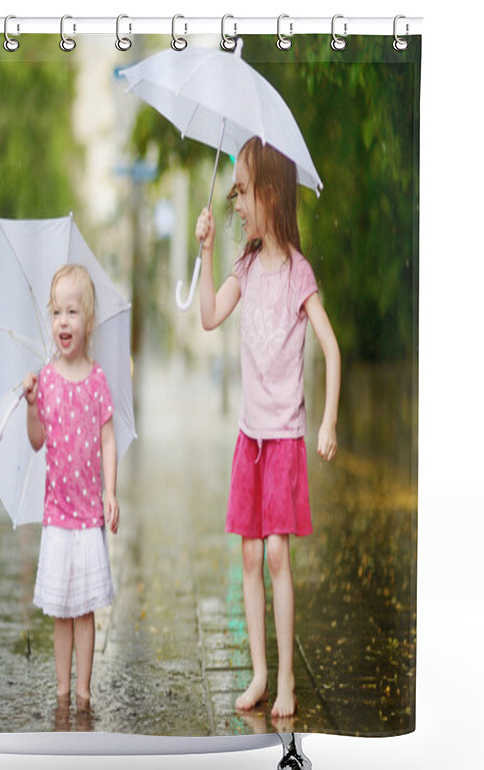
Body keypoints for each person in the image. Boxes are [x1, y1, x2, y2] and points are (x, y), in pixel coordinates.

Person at [195, 137, 341, 718]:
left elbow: (331, 348)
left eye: (242, 192)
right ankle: (258, 673)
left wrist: (327, 419)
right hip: (248, 437)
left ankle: (286, 681)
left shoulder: (297, 274)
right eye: (232, 194)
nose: (236, 204)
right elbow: (207, 317)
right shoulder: (246, 268)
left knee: (277, 553)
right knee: (250, 557)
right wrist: (204, 254)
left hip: (283, 437)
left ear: (270, 195)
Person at [23, 263, 120, 704]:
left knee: (84, 609)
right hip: (58, 516)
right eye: (57, 313)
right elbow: (37, 441)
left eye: (73, 313)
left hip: (88, 515)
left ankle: (83, 690)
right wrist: (30, 405)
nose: (64, 321)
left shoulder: (97, 380)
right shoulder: (46, 380)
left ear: (89, 320)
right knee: (61, 611)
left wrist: (111, 492)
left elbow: (107, 437)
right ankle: (62, 687)